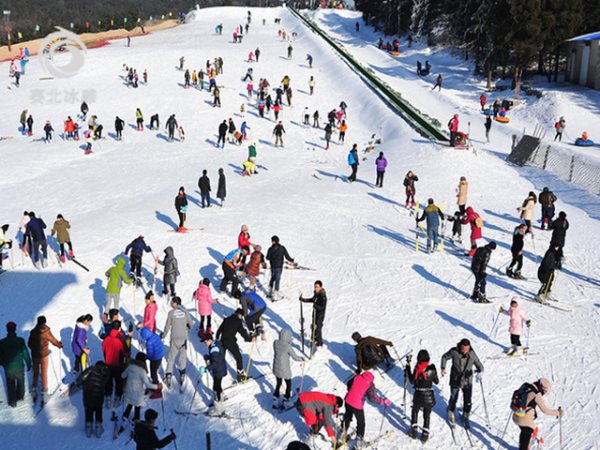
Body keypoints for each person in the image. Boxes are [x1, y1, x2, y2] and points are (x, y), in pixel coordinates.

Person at [440, 338, 484, 428]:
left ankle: (465, 415)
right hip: (455, 378)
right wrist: (443, 367)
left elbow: (479, 365)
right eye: (464, 349)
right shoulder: (454, 352)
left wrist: (480, 372)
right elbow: (444, 357)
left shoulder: (472, 354)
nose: (465, 351)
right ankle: (451, 413)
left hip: (467, 380)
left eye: (467, 349)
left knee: (467, 400)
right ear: (460, 346)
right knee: (453, 397)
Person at [343, 371, 390, 447]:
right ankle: (359, 441)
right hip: (357, 405)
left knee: (347, 417)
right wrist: (382, 401)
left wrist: (352, 392)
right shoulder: (370, 384)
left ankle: (343, 433)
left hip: (348, 400)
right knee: (361, 423)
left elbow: (348, 384)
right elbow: (372, 398)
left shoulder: (357, 377)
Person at [511, 378, 562, 450]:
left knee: (524, 433)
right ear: (542, 388)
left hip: (516, 415)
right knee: (527, 431)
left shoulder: (526, 386)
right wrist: (558, 412)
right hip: (525, 421)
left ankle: (525, 445)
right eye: (544, 392)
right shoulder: (536, 394)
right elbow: (545, 410)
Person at [119, 352, 160, 433]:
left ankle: (124, 421)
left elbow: (122, 376)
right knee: (137, 409)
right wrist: (157, 386)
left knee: (130, 405)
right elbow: (148, 385)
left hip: (128, 392)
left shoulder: (130, 366)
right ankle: (135, 426)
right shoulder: (142, 371)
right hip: (138, 395)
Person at [28, 316, 63, 405]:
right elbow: (53, 340)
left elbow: (29, 344)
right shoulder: (46, 331)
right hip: (43, 356)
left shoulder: (33, 332)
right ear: (44, 322)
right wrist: (59, 345)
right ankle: (45, 395)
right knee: (44, 374)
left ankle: (34, 391)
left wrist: (34, 349)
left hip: (35, 355)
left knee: (35, 373)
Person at [405, 349, 439, 442]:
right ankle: (425, 434)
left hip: (419, 394)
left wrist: (408, 367)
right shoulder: (432, 368)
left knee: (415, 411)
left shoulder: (417, 368)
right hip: (429, 395)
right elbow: (436, 381)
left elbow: (412, 380)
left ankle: (414, 431)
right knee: (427, 414)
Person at [161, 296, 192, 389]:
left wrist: (163, 335)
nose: (171, 303)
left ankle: (168, 376)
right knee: (182, 357)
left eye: (172, 302)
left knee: (171, 358)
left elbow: (167, 327)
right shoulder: (185, 312)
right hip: (183, 338)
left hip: (174, 338)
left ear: (175, 303)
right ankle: (182, 374)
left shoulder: (171, 313)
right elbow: (191, 324)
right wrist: (186, 329)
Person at [216, 309, 255, 381]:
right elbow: (243, 332)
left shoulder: (226, 319)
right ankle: (240, 376)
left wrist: (217, 340)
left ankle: (218, 375)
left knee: (221, 358)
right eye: (242, 316)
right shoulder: (238, 321)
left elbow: (218, 331)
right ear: (240, 315)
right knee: (238, 357)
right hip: (231, 342)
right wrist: (250, 339)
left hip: (222, 341)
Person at [0, 322, 31, 407]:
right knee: (21, 382)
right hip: (19, 366)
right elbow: (25, 352)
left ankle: (12, 402)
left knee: (10, 385)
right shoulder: (20, 341)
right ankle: (20, 396)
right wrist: (29, 363)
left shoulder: (2, 342)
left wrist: (3, 364)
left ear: (7, 329)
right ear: (15, 329)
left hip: (8, 368)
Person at [272, 328, 304, 410]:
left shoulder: (275, 343)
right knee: (288, 384)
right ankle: (286, 400)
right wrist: (302, 359)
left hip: (276, 367)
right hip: (284, 369)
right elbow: (295, 357)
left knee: (278, 383)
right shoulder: (288, 347)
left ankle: (275, 400)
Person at [77, 360, 110, 438]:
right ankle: (98, 429)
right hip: (99, 395)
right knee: (98, 410)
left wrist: (82, 384)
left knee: (88, 410)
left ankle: (89, 428)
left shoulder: (90, 369)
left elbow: (80, 379)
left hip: (88, 394)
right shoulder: (105, 372)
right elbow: (106, 382)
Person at [202, 334, 228, 415]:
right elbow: (216, 357)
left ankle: (218, 410)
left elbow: (215, 362)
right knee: (218, 385)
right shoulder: (215, 344)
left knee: (215, 388)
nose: (205, 343)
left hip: (218, 370)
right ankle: (221, 397)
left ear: (209, 340)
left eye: (205, 341)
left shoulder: (214, 348)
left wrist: (206, 368)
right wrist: (208, 357)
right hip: (221, 368)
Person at [102, 321, 126, 408]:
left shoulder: (106, 339)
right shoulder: (121, 339)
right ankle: (117, 397)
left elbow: (103, 349)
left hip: (108, 363)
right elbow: (125, 351)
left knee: (108, 381)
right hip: (118, 364)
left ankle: (108, 398)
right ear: (119, 328)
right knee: (119, 381)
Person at [300, 281, 327, 352]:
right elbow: (312, 300)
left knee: (318, 329)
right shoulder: (316, 293)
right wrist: (303, 299)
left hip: (320, 315)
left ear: (320, 287)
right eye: (315, 286)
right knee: (313, 327)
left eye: (317, 287)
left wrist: (316, 306)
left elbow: (322, 307)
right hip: (314, 314)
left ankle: (319, 344)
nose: (315, 288)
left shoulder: (322, 296)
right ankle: (314, 340)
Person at [266, 236, 294, 300]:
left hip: (273, 266)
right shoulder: (282, 248)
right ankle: (276, 294)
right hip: (279, 266)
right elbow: (287, 256)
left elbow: (267, 258)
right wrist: (291, 260)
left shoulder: (270, 249)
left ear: (273, 241)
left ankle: (270, 292)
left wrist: (272, 257)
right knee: (277, 280)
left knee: (272, 279)